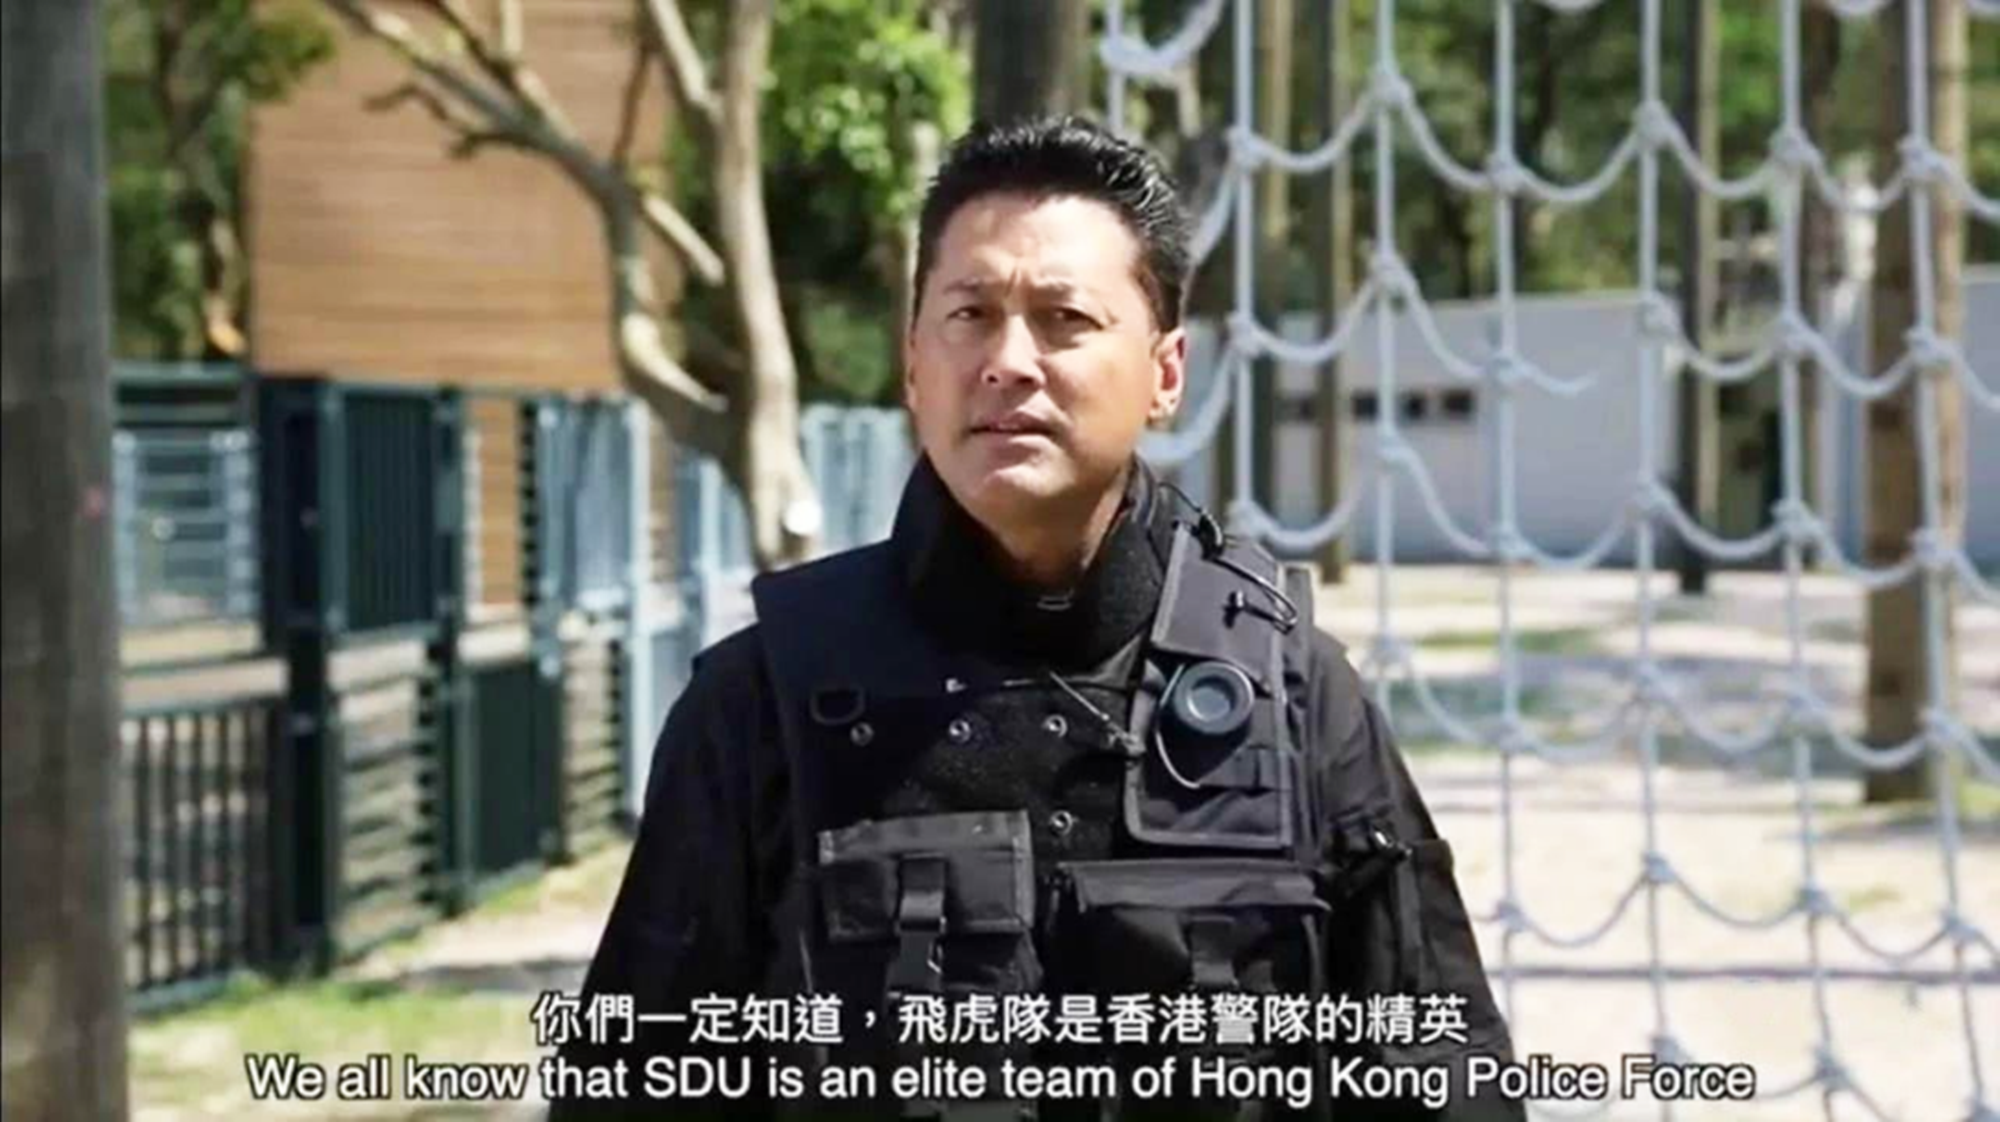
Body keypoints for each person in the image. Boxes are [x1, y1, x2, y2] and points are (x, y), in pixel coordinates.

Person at [553, 116, 1520, 1121]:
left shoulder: (1292, 690)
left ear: (1166, 373)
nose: (1009, 361)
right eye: (969, 314)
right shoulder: (760, 702)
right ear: (913, 365)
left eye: (1064, 318)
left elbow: (1444, 1076)